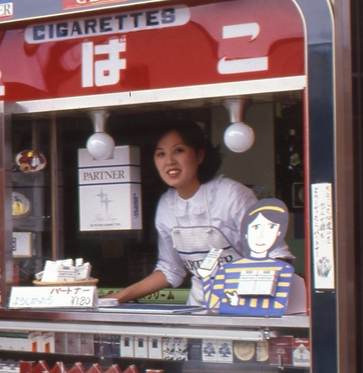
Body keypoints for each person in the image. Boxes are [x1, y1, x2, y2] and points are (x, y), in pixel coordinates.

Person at [111, 120, 292, 306]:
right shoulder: (166, 206)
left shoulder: (231, 195)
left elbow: (277, 255)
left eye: (178, 150)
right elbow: (170, 269)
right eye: (161, 154)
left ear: (200, 155)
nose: (169, 161)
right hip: (200, 307)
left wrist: (259, 302)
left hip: (245, 305)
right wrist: (117, 298)